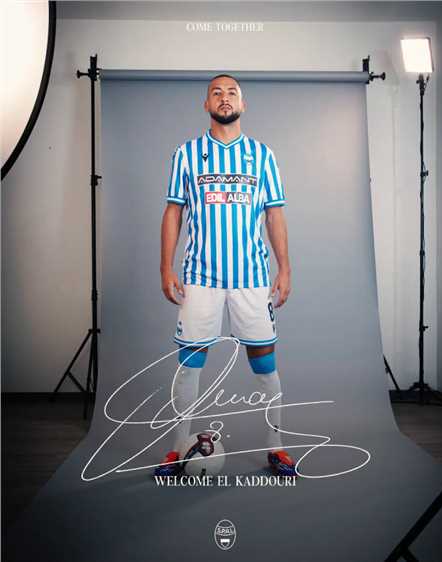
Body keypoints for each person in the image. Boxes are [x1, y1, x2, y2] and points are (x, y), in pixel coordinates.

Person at [155, 73, 296, 477]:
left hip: (252, 277)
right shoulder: (186, 154)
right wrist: (165, 266)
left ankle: (276, 446)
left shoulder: (262, 155)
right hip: (200, 278)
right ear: (206, 104)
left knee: (264, 362)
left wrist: (284, 268)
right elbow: (173, 212)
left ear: (242, 103)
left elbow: (274, 214)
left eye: (232, 92)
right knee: (189, 364)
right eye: (216, 92)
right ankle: (178, 448)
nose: (224, 97)